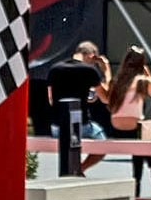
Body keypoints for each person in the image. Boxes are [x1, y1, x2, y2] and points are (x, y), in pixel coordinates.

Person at [99, 46, 151, 197]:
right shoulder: (142, 81)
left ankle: (144, 175)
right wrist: (147, 72)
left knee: (140, 145)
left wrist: (107, 70)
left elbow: (107, 96)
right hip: (134, 127)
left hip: (115, 126)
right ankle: (150, 167)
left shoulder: (118, 81)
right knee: (143, 142)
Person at [45, 41, 108, 177]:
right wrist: (106, 71)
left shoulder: (55, 68)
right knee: (103, 143)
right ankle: (80, 168)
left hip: (57, 125)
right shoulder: (90, 70)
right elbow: (106, 98)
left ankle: (73, 169)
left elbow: (51, 99)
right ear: (91, 55)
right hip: (81, 124)